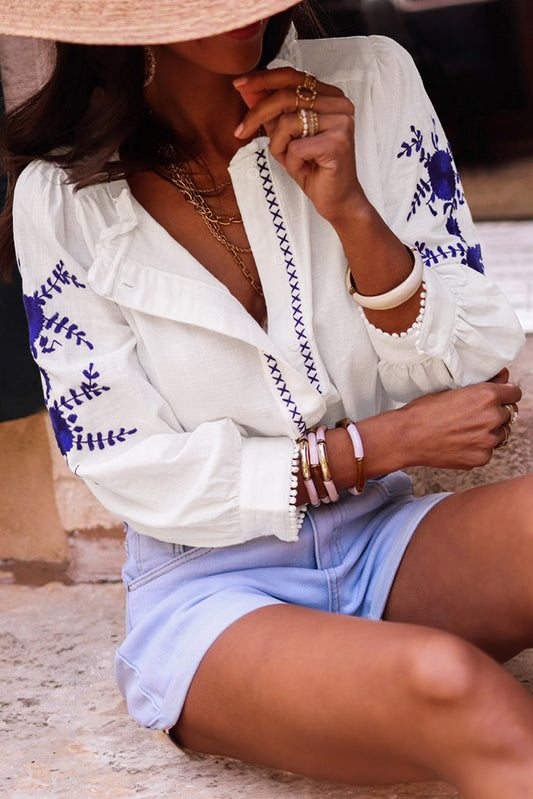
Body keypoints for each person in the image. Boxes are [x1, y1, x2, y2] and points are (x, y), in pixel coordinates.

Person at [1, 0, 532, 794]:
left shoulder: (371, 81)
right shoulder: (63, 197)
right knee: (454, 686)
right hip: (210, 590)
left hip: (390, 543)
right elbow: (127, 465)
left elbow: (472, 353)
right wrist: (372, 447)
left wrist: (351, 212)